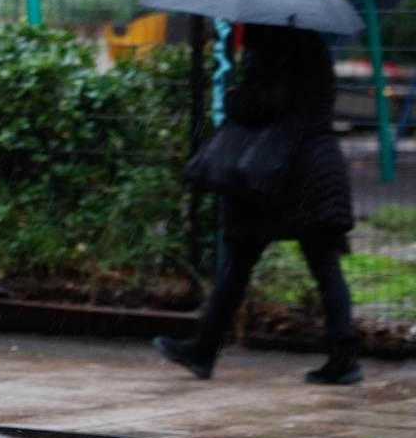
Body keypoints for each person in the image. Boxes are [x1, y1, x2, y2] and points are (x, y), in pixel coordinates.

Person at [154, 24, 361, 385]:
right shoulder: (313, 41)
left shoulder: (273, 44)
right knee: (321, 263)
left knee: (239, 257)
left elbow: (263, 105)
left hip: (278, 170)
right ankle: (344, 359)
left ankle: (204, 348)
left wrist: (235, 97)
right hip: (317, 166)